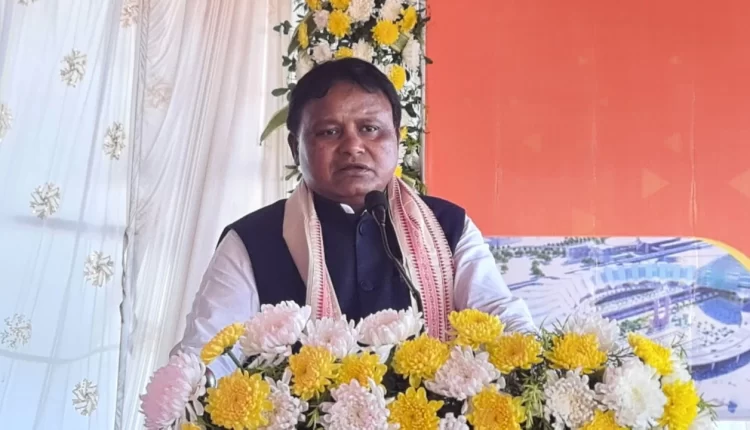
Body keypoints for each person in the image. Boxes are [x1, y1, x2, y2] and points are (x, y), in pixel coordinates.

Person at [173, 58, 535, 375]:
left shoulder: (448, 226)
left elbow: (498, 317)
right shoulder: (253, 240)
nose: (353, 146)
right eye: (329, 132)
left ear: (397, 139)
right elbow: (208, 354)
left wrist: (536, 366)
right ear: (295, 147)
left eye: (370, 128)